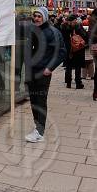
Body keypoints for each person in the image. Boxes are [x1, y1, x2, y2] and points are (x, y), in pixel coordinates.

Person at [25, 7, 66, 142]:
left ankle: (40, 132)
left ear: (45, 17)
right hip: (32, 71)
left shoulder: (53, 32)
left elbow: (61, 52)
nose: (36, 18)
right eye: (35, 16)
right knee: (33, 100)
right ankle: (37, 127)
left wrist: (50, 68)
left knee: (40, 101)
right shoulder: (33, 30)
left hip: (43, 72)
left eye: (39, 16)